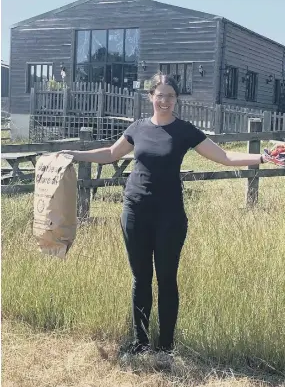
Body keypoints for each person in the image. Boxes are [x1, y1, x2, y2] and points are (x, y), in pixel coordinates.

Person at [60, 73, 266, 355]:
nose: (165, 100)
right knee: (140, 278)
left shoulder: (185, 130)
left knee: (167, 278)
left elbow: (225, 158)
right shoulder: (138, 128)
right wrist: (75, 154)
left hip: (170, 215)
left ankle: (166, 347)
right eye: (160, 95)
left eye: (170, 95)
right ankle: (141, 343)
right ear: (151, 97)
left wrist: (263, 158)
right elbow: (110, 153)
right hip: (134, 210)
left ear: (176, 99)